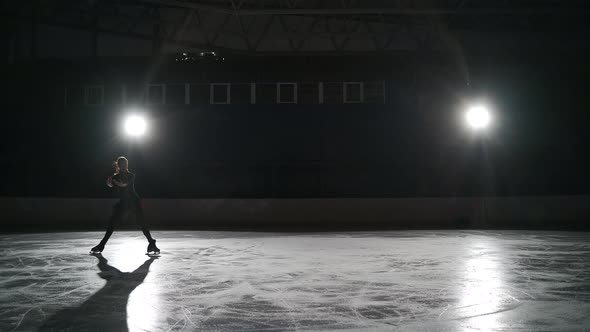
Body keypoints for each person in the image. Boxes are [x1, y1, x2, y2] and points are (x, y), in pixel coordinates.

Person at [90, 156, 159, 254]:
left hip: (133, 202)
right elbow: (110, 185)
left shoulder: (131, 175)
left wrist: (115, 182)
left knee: (142, 223)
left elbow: (124, 185)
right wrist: (109, 182)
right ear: (118, 165)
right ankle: (101, 245)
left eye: (125, 164)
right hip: (124, 202)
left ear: (126, 165)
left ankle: (151, 243)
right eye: (121, 164)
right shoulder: (115, 176)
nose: (123, 166)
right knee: (112, 223)